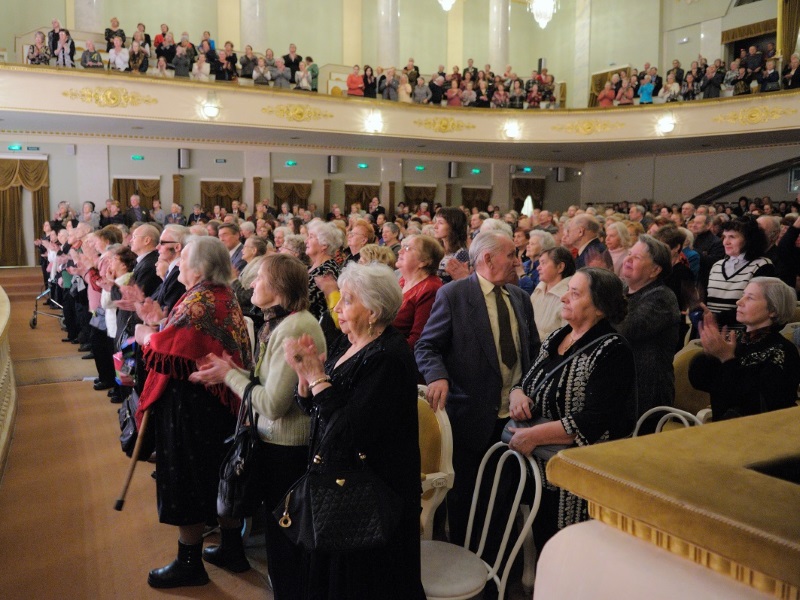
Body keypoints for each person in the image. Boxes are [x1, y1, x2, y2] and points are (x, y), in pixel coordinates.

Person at [283, 262, 425, 599]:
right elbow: (317, 411)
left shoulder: (388, 357)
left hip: (371, 496)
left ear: (373, 311)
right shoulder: (347, 343)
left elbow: (349, 431)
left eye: (347, 300)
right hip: (339, 484)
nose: (337, 308)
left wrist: (317, 377)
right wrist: (305, 378)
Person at [190, 253, 326, 597]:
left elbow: (273, 406)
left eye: (260, 278)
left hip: (288, 450)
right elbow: (266, 383)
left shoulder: (294, 328)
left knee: (285, 543)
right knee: (280, 542)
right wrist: (232, 372)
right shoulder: (282, 323)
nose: (251, 284)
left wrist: (230, 375)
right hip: (278, 445)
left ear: (278, 288)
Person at [133, 236, 252, 589]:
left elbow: (167, 349)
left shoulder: (200, 300)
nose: (178, 264)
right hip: (219, 402)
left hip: (194, 407)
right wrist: (159, 324)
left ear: (199, 269)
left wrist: (145, 336)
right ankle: (232, 549)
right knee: (219, 475)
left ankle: (189, 563)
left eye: (183, 258)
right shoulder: (222, 294)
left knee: (189, 480)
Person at [416, 231, 539, 547]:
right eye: (511, 255)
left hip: (513, 419)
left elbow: (533, 354)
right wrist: (437, 376)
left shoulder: (520, 298)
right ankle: (465, 561)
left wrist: (523, 387)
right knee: (466, 501)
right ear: (488, 258)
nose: (517, 261)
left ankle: (499, 566)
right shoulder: (454, 295)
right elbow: (427, 346)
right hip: (470, 416)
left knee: (504, 499)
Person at [506, 267, 634, 552]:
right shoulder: (558, 336)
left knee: (565, 550)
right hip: (538, 468)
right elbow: (527, 381)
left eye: (575, 294)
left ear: (599, 307)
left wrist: (534, 435)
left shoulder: (612, 350)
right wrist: (517, 395)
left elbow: (593, 420)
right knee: (538, 540)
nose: (564, 298)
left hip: (575, 478)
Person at [689, 277, 800, 421]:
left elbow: (759, 405)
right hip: (722, 426)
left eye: (750, 298)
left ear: (772, 310)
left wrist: (727, 359)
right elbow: (699, 381)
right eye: (743, 295)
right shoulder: (735, 339)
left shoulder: (784, 350)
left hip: (758, 430)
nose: (739, 302)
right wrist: (710, 351)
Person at [616, 235, 681, 418]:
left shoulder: (662, 298)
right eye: (629, 254)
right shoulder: (622, 291)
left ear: (655, 270)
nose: (628, 259)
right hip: (621, 383)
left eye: (636, 257)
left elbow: (625, 330)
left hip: (645, 393)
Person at [705, 216, 775, 329]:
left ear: (748, 240)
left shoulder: (763, 265)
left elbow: (758, 306)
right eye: (724, 237)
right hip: (713, 331)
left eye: (732, 237)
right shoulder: (717, 265)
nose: (725, 242)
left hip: (743, 333)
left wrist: (716, 318)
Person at [393, 234, 444, 349]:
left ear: (424, 261)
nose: (400, 251)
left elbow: (417, 340)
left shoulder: (430, 289)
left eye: (407, 248)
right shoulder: (402, 280)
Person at [532, 247, 576, 341]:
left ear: (560, 267)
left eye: (543, 263)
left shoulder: (570, 295)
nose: (538, 268)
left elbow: (568, 335)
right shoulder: (539, 289)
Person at [433, 207, 470, 284]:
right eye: (435, 222)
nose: (435, 226)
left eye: (440, 223)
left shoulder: (461, 253)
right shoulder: (436, 250)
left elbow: (461, 284)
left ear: (453, 226)